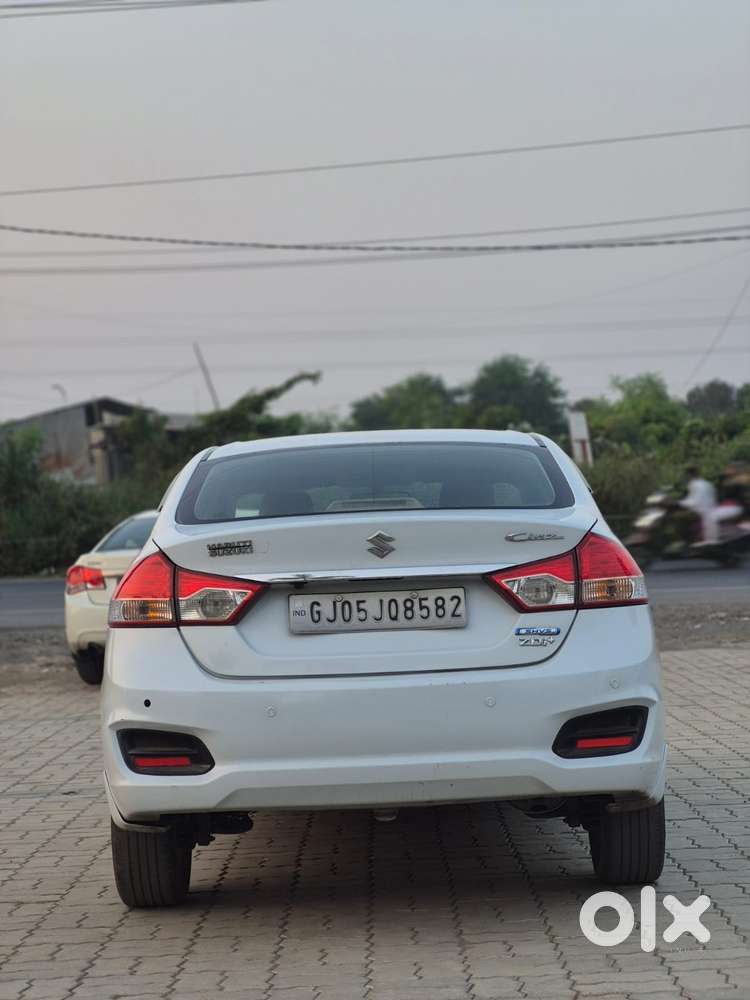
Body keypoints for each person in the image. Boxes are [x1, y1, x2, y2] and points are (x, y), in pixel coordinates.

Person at [679, 464, 718, 544]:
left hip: (701, 511)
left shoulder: (694, 484)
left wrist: (679, 503)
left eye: (686, 474)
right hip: (710, 508)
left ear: (689, 474)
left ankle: (687, 541)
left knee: (677, 518)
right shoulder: (706, 483)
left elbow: (694, 501)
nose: (686, 476)